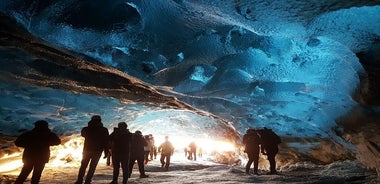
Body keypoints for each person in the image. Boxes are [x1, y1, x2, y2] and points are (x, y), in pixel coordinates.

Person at [75, 115, 109, 184]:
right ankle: (88, 181)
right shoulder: (104, 130)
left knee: (83, 166)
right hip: (98, 151)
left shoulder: (86, 129)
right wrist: (106, 152)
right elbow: (106, 141)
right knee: (92, 167)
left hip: (87, 150)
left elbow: (83, 134)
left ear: (91, 120)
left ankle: (79, 181)